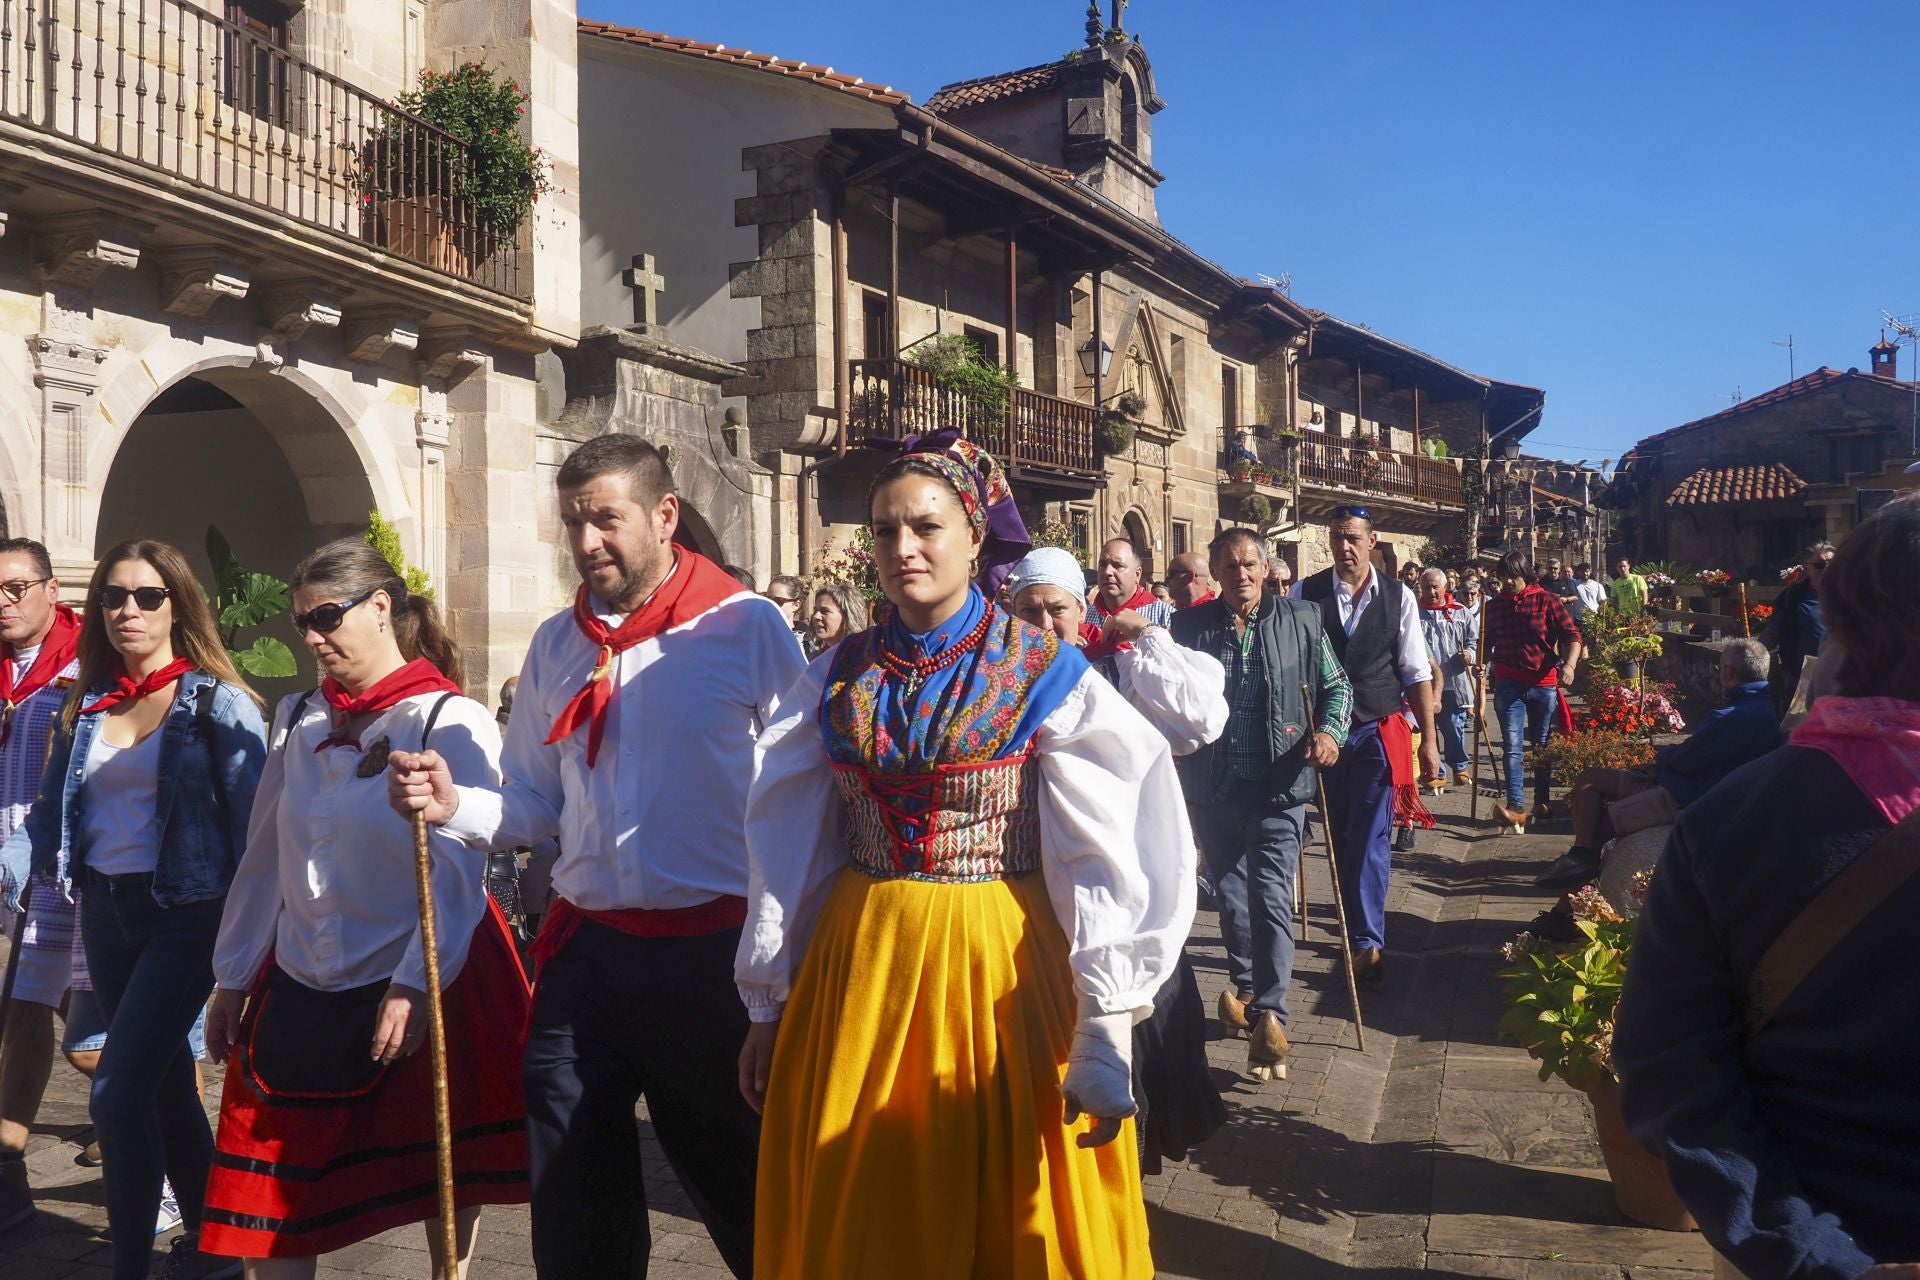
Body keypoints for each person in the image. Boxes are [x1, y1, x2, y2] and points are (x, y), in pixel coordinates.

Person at [734, 437, 1193, 1278]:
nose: (901, 549)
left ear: (976, 538)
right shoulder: (834, 677)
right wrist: (768, 1001)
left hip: (1002, 970)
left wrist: (1105, 1021)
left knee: (1010, 1206)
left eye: (925, 527)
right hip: (860, 967)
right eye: (883, 530)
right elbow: (786, 842)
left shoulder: (1045, 672)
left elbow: (1114, 838)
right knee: (868, 1206)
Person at [389, 434, 803, 1279]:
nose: (586, 544)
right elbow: (536, 801)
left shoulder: (745, 626)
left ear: (663, 516)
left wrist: (784, 958)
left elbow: (799, 798)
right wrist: (454, 802)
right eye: (573, 523)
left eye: (606, 520)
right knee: (574, 1198)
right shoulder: (556, 643)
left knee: (745, 1187)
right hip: (588, 958)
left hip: (710, 958)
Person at [200, 539, 529, 1276]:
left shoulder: (448, 717)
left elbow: (457, 868)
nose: (312, 638)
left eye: (326, 617)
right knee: (270, 1207)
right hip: (303, 977)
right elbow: (264, 858)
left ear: (382, 607)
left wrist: (417, 981)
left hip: (416, 976)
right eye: (302, 623)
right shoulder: (299, 715)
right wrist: (232, 974)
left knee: (438, 1177)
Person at [1615, 497, 1920, 1279]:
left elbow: (1668, 1075)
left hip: (1801, 1245)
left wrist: (1814, 1257)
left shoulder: (1733, 827)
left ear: (1841, 627)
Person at [0, 539, 267, 1280]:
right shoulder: (88, 702)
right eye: (115, 596)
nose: (128, 610)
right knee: (162, 1085)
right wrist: (14, 862)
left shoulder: (219, 703)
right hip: (106, 916)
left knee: (116, 1089)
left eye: (147, 596)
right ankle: (218, 1249)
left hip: (186, 916)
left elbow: (258, 834)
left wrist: (259, 941)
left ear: (178, 606)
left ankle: (128, 1266)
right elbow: (52, 811)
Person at [1008, 545, 1229, 1173]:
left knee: (1143, 1025)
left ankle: (1126, 1163)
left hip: (1124, 886)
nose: (1045, 624)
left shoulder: (1115, 678)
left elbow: (1200, 717)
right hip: (1034, 894)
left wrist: (1149, 636)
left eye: (1057, 609)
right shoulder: (996, 691)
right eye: (1030, 611)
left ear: (1082, 614)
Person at [1175, 529, 1352, 1076]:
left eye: (1250, 563)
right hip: (1216, 785)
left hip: (1281, 782)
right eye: (1230, 567)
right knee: (1230, 900)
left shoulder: (1301, 620)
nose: (1242, 574)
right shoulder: (1189, 627)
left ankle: (1273, 1014)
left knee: (1272, 895)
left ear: (1264, 565)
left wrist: (1330, 735)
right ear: (1215, 574)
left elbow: (1337, 686)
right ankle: (1248, 989)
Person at [1293, 506, 1439, 987]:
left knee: (1372, 835)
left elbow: (1416, 672)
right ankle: (1355, 925)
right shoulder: (1306, 593)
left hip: (1378, 727)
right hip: (1326, 734)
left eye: (1353, 537)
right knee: (1337, 833)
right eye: (1337, 538)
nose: (1344, 547)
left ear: (1372, 540)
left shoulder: (1398, 598)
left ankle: (1367, 942)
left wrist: (1429, 743)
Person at [1536, 639, 1781, 890]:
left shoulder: (1732, 716)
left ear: (1729, 673)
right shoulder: (1763, 709)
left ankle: (1569, 902)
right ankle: (1580, 854)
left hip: (1685, 795)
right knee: (1590, 779)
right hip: (1680, 781)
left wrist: (1662, 759)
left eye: (1719, 670)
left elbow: (1689, 759)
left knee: (1600, 825)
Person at [0, 539, 89, 1232]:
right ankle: (10, 1170)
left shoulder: (81, 668)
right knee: (29, 1012)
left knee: (89, 1035)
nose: (4, 601)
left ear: (51, 590)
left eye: (16, 587)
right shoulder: (5, 670)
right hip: (8, 871)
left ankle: (176, 1139)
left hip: (62, 873)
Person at [1482, 551, 1583, 831]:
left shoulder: (1547, 600)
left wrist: (1570, 665)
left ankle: (1542, 800)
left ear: (1526, 575)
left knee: (1541, 745)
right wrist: (1478, 662)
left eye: (1512, 577)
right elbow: (1485, 643)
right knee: (1512, 747)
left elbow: (1572, 635)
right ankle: (1515, 808)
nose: (1507, 582)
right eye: (1503, 578)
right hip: (1507, 684)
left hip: (1542, 683)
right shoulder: (1494, 608)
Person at [1757, 541, 1834, 716]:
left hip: (1837, 678)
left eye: (1832, 564)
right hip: (1801, 679)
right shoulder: (1794, 597)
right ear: (1808, 568)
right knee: (1795, 729)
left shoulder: (1849, 595)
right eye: (1820, 565)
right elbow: (1772, 632)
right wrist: (1751, 655)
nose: (1826, 569)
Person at [1417, 568, 1478, 788]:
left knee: (1453, 725)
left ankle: (1459, 765)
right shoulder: (1414, 613)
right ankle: (1436, 772)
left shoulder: (1460, 612)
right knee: (1428, 727)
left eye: (1435, 587)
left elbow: (1474, 641)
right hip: (1425, 683)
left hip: (1454, 681)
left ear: (1445, 587)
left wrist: (1469, 655)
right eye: (1426, 587)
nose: (1431, 591)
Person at [1089, 538, 1174, 631]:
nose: (1107, 571)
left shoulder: (1165, 616)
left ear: (1137, 574)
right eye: (1102, 565)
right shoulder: (1083, 616)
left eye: (1118, 565)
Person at [804, 581, 868, 658]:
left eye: (825, 611)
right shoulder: (814, 661)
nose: (815, 616)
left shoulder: (866, 661)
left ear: (847, 615)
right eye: (815, 611)